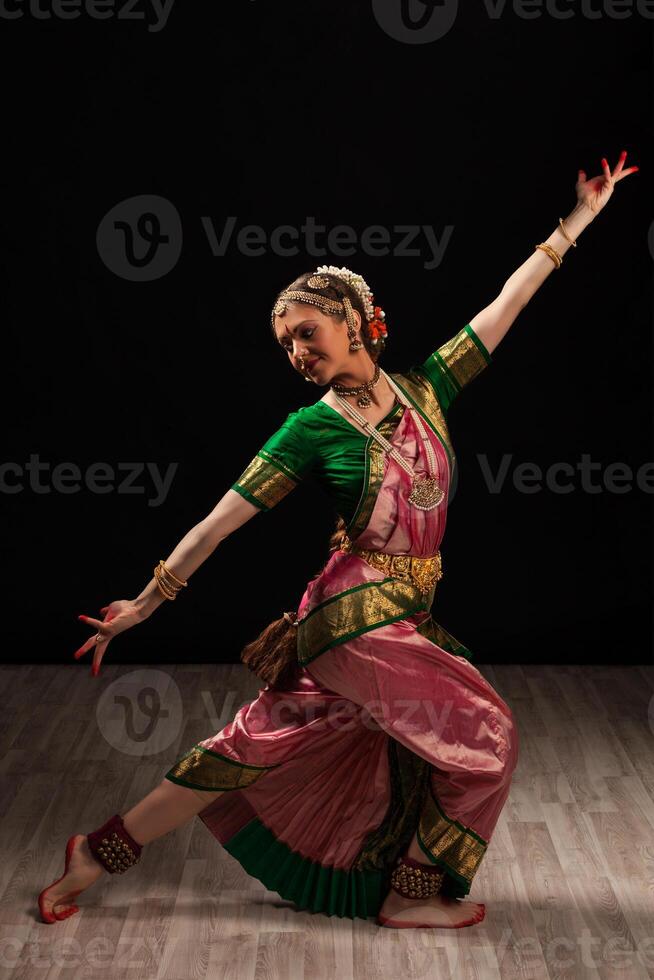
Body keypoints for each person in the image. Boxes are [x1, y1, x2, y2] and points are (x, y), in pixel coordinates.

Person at [38, 152, 638, 929]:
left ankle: (96, 852)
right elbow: (218, 520)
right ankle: (409, 895)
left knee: (256, 742)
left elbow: (505, 305)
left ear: (355, 321)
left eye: (307, 331)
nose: (296, 351)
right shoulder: (310, 430)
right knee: (487, 737)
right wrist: (146, 605)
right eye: (285, 342)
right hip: (357, 618)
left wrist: (581, 219)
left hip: (393, 615)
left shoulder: (429, 388)